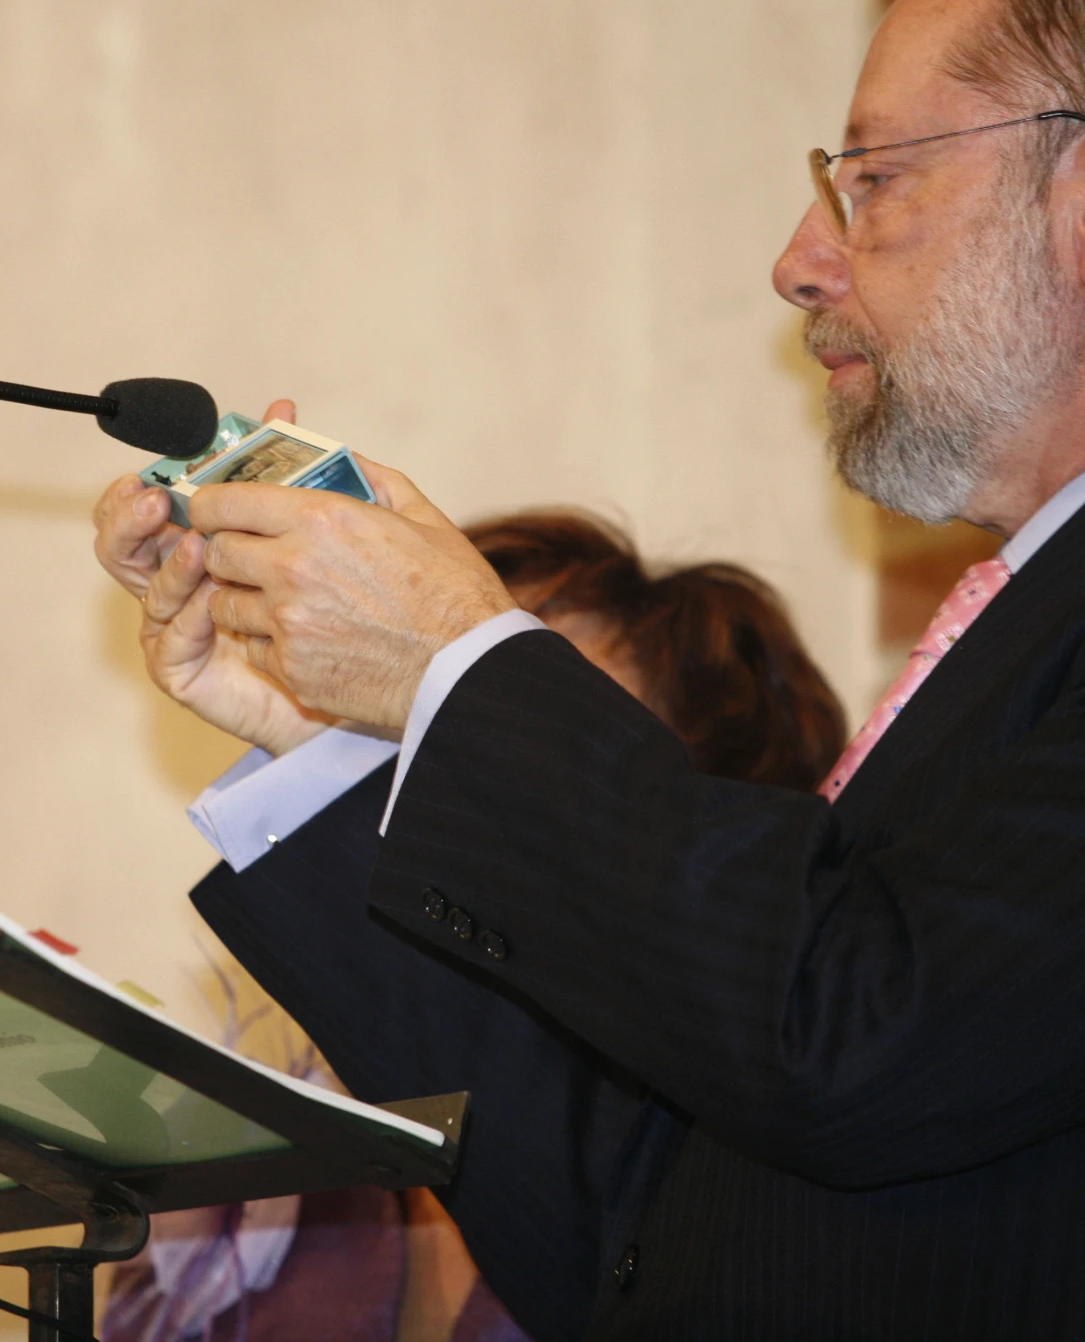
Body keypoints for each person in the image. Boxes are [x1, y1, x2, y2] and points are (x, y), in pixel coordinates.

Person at [94, 0, 1085, 1338]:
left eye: (872, 181)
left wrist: (464, 664)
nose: (798, 260)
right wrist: (340, 758)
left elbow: (861, 1033)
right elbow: (644, 1225)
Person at [100, 512, 845, 1342]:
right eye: (414, 723)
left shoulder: (731, 1203)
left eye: (531, 749)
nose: (439, 788)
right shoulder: (270, 1185)